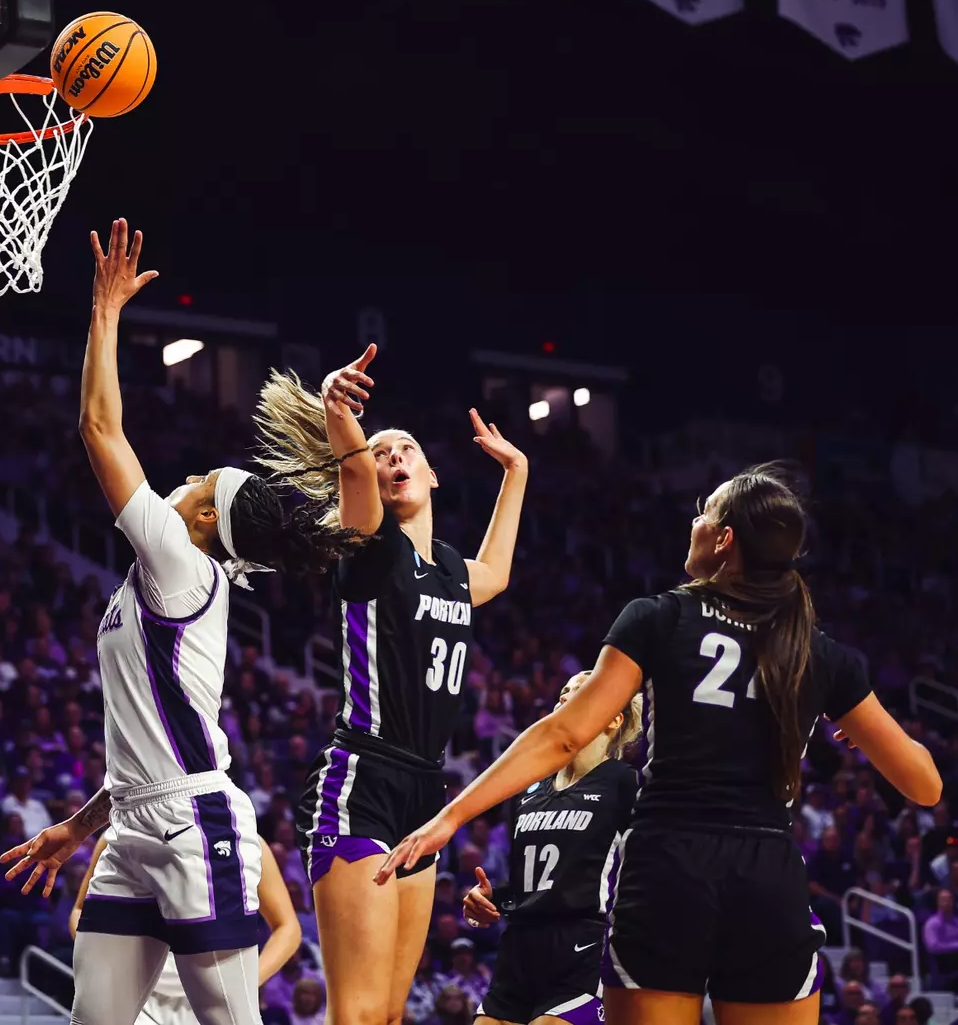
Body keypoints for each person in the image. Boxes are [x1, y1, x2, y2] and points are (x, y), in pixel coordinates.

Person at [379, 464, 944, 1025]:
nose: (694, 521)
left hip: (669, 867)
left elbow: (564, 733)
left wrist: (450, 817)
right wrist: (858, 729)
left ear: (724, 539)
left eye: (705, 512)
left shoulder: (660, 616)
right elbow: (924, 786)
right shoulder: (819, 653)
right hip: (767, 874)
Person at [3, 220, 363, 1025]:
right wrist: (76, 826)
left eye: (199, 479)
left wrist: (105, 312)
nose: (185, 478)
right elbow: (144, 748)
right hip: (133, 825)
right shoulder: (166, 575)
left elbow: (99, 429)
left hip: (197, 825)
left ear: (202, 517)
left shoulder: (180, 562)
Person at [252, 344, 528, 1025]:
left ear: (433, 475)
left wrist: (517, 470)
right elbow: (349, 463)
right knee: (360, 1013)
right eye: (382, 453)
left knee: (392, 1015)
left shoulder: (453, 575)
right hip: (363, 781)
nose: (393, 456)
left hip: (423, 792)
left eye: (405, 449)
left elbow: (497, 570)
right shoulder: (369, 543)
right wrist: (336, 408)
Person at [460, 672, 642, 1025]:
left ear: (613, 719)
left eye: (580, 691)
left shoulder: (625, 783)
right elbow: (538, 884)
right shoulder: (529, 790)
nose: (564, 698)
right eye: (563, 692)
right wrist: (490, 900)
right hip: (519, 948)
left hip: (584, 945)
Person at [70, 830, 303, 1025]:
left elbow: (288, 928)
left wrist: (248, 980)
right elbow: (81, 912)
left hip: (216, 989)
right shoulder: (119, 833)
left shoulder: (244, 838)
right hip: (140, 990)